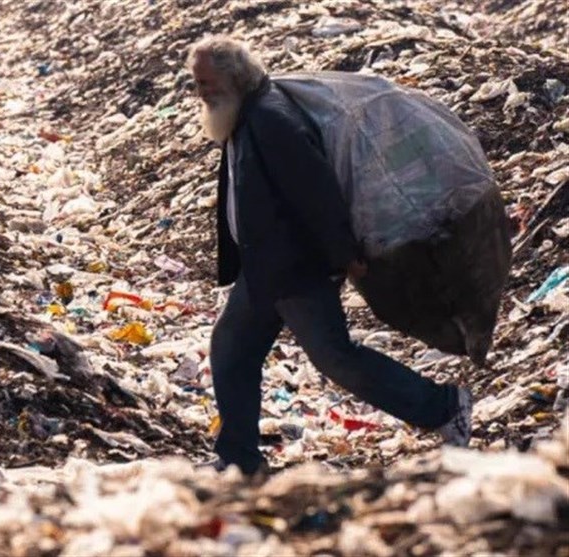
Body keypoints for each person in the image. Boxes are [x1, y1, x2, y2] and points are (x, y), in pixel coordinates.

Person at [188, 35, 473, 476]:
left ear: (234, 76)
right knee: (231, 349)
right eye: (196, 82)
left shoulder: (270, 119)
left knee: (336, 357)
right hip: (266, 268)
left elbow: (315, 189)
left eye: (206, 81)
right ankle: (239, 458)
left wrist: (342, 251)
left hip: (295, 268)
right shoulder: (245, 114)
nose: (200, 91)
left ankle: (444, 406)